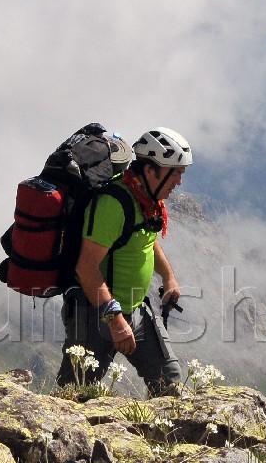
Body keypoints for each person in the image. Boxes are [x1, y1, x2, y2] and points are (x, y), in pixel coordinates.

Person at [58, 126, 191, 396]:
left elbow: (147, 239)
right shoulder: (113, 205)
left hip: (137, 310)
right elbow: (86, 267)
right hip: (97, 315)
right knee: (75, 398)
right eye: (175, 172)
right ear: (151, 170)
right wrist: (116, 320)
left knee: (171, 387)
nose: (179, 181)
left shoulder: (146, 201)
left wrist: (168, 277)